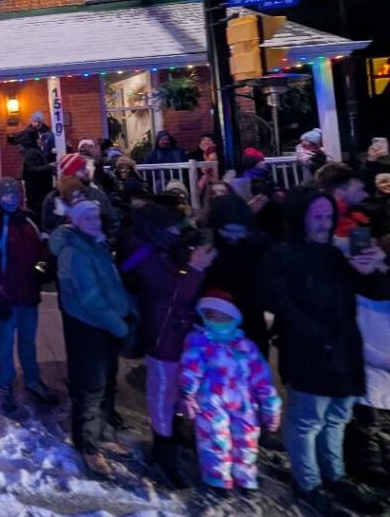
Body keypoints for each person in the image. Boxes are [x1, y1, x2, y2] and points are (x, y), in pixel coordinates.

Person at [265, 188, 390, 514]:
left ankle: (333, 476)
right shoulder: (283, 255)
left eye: (328, 216)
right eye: (316, 216)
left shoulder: (335, 254)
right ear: (299, 218)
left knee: (337, 417)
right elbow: (282, 303)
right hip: (310, 353)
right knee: (308, 420)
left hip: (344, 352)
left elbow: (374, 290)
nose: (324, 223)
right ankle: (308, 481)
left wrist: (376, 267)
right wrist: (319, 336)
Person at [119, 199, 216, 488]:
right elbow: (172, 298)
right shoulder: (147, 255)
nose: (178, 230)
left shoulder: (160, 248)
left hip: (176, 333)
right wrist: (196, 268)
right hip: (162, 337)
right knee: (162, 394)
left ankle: (173, 435)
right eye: (174, 226)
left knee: (175, 390)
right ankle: (163, 451)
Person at [51, 199, 134, 477]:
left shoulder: (96, 245)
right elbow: (91, 298)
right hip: (88, 328)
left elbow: (113, 284)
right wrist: (119, 325)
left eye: (96, 218)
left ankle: (104, 433)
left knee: (106, 384)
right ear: (75, 221)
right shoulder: (75, 253)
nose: (94, 223)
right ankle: (88, 445)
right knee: (90, 388)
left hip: (106, 326)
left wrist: (127, 311)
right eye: (87, 219)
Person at [177, 291, 281, 494]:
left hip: (244, 403)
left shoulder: (246, 346)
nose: (217, 319)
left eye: (223, 316)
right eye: (211, 315)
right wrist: (187, 394)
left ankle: (245, 476)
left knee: (247, 439)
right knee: (215, 439)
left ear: (233, 318)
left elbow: (262, 379)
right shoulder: (199, 341)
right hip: (211, 401)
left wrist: (270, 406)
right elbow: (190, 369)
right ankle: (217, 478)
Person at [0, 177, 57, 413]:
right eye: (6, 195)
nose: (10, 200)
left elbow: (44, 246)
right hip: (7, 295)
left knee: (28, 340)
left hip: (29, 292)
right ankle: (5, 384)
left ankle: (32, 380)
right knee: (5, 342)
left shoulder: (29, 218)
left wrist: (42, 266)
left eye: (14, 195)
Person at [202, 195, 271, 356]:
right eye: (226, 230)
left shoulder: (259, 246)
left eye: (238, 231)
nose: (233, 236)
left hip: (251, 324)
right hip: (216, 326)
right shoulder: (208, 249)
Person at [344, 293, 390, 484]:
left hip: (381, 389)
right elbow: (356, 341)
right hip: (366, 387)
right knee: (366, 437)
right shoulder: (360, 300)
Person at [17, 129, 54, 226]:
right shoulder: (32, 152)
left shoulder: (31, 152)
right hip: (38, 192)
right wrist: (50, 166)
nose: (39, 140)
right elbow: (33, 169)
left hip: (36, 191)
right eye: (38, 138)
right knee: (38, 216)